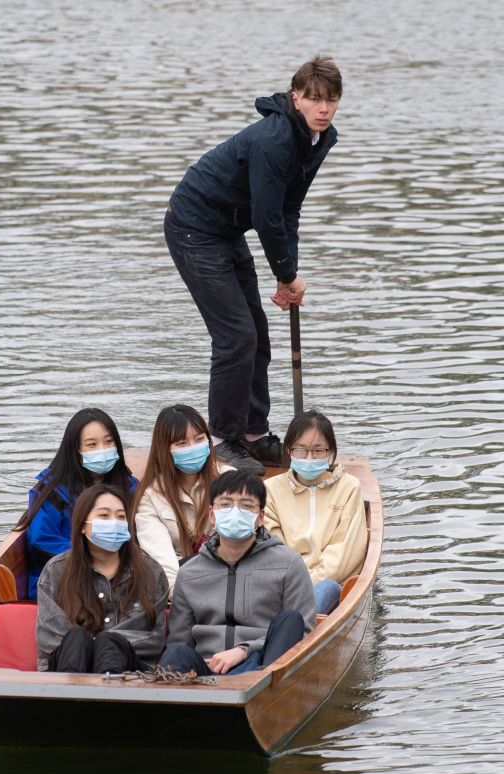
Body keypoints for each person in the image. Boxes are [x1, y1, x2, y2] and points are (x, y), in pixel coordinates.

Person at [164, 55, 342, 475]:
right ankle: (225, 440)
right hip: (193, 227)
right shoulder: (275, 140)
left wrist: (289, 274)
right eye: (314, 99)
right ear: (295, 97)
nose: (323, 108)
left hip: (226, 230)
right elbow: (266, 217)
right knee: (235, 336)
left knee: (257, 332)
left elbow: (288, 209)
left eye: (331, 100)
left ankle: (254, 434)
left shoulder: (318, 138)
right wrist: (286, 273)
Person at [159, 469, 315, 677]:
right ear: (212, 515)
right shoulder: (189, 572)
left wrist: (244, 650)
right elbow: (180, 639)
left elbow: (303, 632)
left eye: (246, 506)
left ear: (260, 518)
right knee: (176, 652)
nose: (234, 511)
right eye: (225, 504)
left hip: (262, 663)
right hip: (207, 666)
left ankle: (261, 695)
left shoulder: (288, 563)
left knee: (291, 619)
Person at [36, 484, 168, 673]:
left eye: (121, 517)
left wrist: (103, 643)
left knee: (110, 643)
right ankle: (67, 700)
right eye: (104, 516)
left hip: (130, 670)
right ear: (82, 525)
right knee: (77, 638)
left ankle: (109, 699)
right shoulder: (56, 570)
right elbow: (49, 636)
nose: (114, 522)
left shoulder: (150, 571)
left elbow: (153, 638)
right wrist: (91, 644)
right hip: (66, 667)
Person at [16, 408, 138, 599]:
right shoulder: (51, 492)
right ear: (75, 450)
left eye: (108, 442)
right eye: (92, 444)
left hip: (122, 574)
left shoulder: (130, 488)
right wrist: (94, 557)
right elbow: (42, 541)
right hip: (66, 579)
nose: (102, 450)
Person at [263, 409, 367, 615]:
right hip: (284, 585)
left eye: (318, 451)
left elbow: (345, 553)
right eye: (301, 450)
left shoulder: (349, 487)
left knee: (327, 588)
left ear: (330, 452)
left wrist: (307, 583)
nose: (309, 458)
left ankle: (290, 631)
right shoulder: (271, 489)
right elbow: (273, 547)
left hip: (328, 585)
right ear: (289, 451)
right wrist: (291, 583)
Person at [133, 403, 233, 597]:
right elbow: (162, 561)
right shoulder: (150, 497)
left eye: (199, 439)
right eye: (181, 443)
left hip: (227, 574)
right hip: (180, 582)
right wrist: (185, 597)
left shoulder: (229, 480)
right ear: (165, 449)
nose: (193, 448)